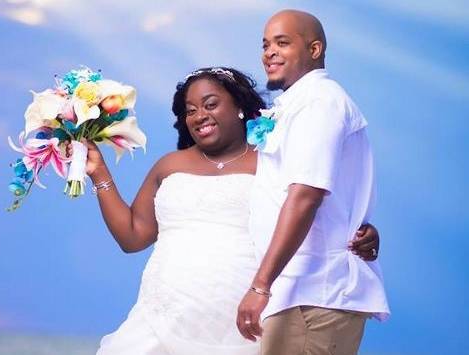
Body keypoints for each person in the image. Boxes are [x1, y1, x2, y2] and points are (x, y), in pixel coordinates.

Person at [71, 67, 379, 354]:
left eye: (210, 104)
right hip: (161, 315)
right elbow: (133, 237)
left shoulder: (273, 161)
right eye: (190, 111)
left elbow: (309, 207)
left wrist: (363, 234)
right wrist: (100, 174)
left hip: (243, 317)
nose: (199, 116)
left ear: (240, 108)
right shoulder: (169, 165)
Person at [235, 10, 390, 355]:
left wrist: (261, 286)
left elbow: (306, 195)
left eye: (282, 42)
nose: (269, 52)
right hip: (300, 293)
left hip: (316, 294)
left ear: (315, 49)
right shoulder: (299, 104)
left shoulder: (320, 103)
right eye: (265, 44)